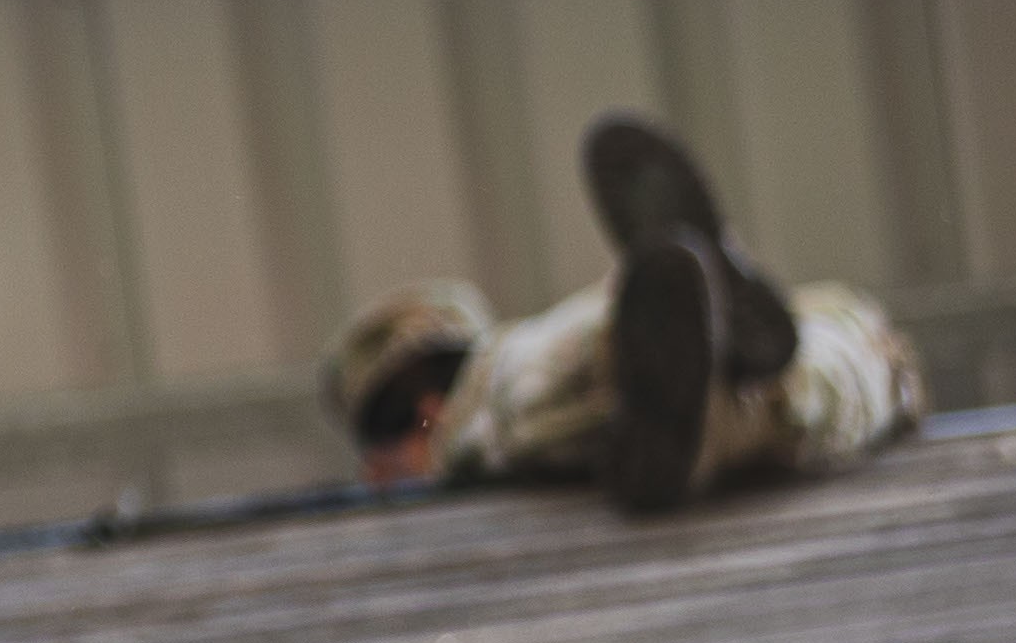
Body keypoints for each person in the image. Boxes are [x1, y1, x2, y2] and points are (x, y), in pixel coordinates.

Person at [326, 109, 925, 512]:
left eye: (436, 385)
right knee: (814, 380)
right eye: (399, 417)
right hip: (771, 389)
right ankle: (720, 311)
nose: (427, 409)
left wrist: (427, 458)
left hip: (598, 373)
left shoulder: (491, 385)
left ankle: (680, 331)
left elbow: (494, 396)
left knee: (513, 400)